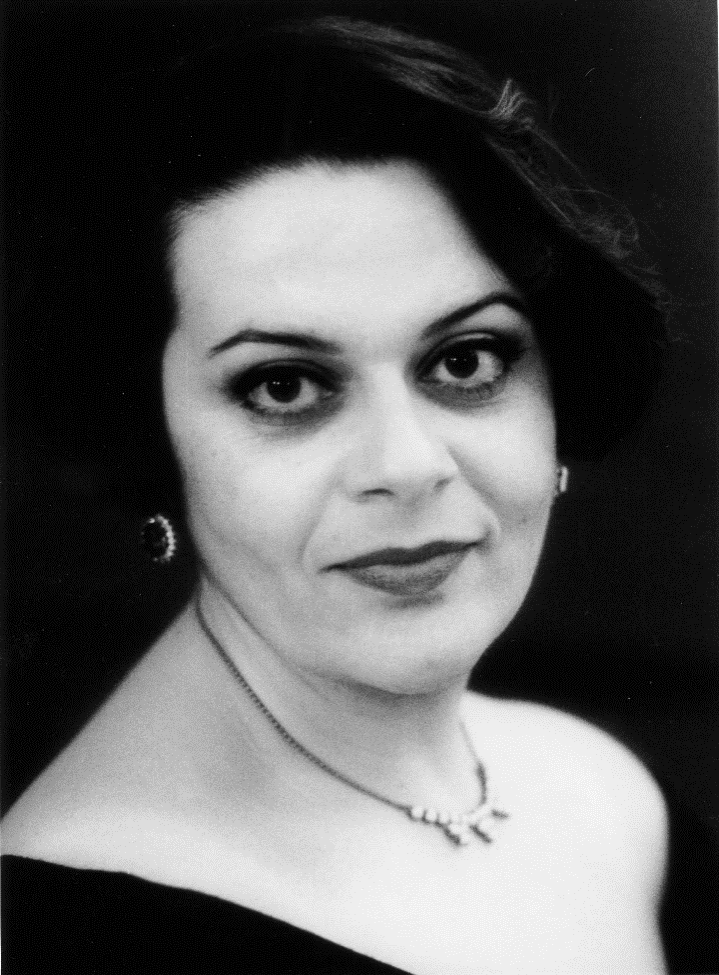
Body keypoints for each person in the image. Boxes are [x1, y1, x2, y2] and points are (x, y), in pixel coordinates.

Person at [0, 15, 686, 974]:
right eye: (283, 386)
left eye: (465, 360)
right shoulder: (70, 929)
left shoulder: (605, 792)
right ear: (149, 441)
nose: (406, 464)